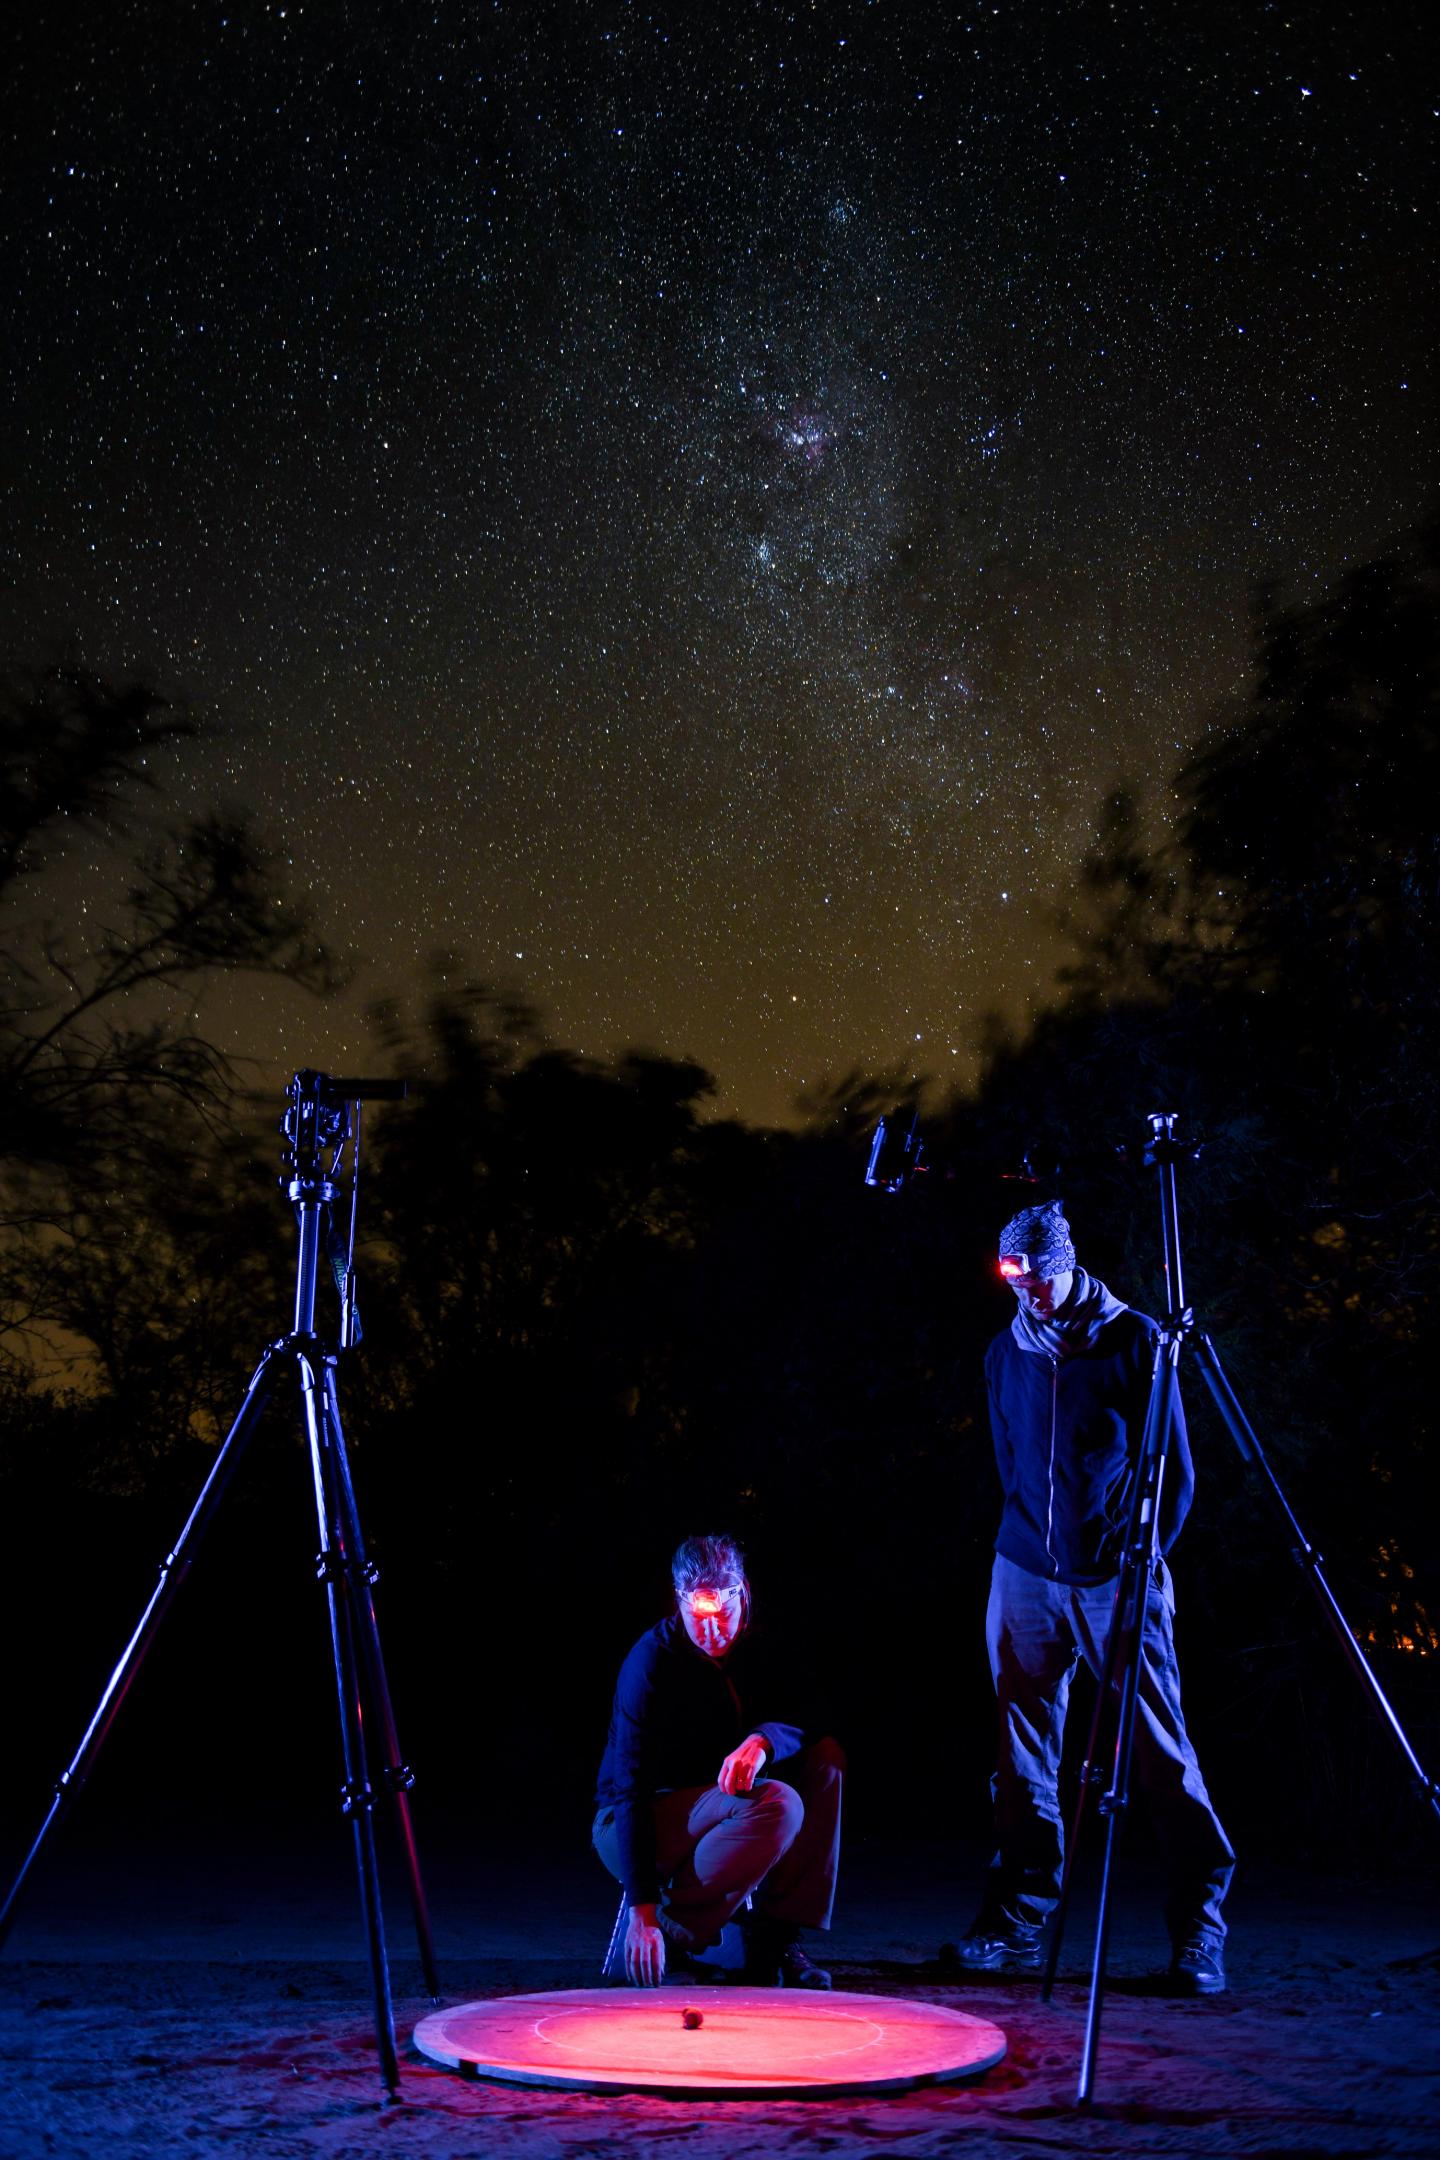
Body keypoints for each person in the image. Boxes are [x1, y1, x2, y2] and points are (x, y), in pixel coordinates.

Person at [954, 1200, 1235, 1995]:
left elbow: (1174, 1475)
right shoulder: (1004, 1352)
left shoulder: (1136, 1341)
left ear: (1066, 1264)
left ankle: (1199, 1931)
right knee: (1021, 1758)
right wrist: (1026, 1547)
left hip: (1118, 1576)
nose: (1030, 1291)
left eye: (1040, 1275)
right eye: (1015, 1277)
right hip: (1024, 1574)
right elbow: (1010, 1461)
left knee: (1159, 1752)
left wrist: (1137, 1557)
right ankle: (1016, 1919)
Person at [593, 1533, 844, 1989]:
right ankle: (672, 1934)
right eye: (698, 1618)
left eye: (722, 1615)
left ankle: (777, 1935)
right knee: (779, 1803)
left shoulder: (769, 1642)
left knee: (825, 1759)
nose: (712, 1632)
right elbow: (628, 1788)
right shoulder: (650, 1662)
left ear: (741, 1592)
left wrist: (765, 1740)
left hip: (724, 1809)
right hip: (638, 1821)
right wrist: (642, 1911)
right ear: (680, 1602)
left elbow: (819, 1710)